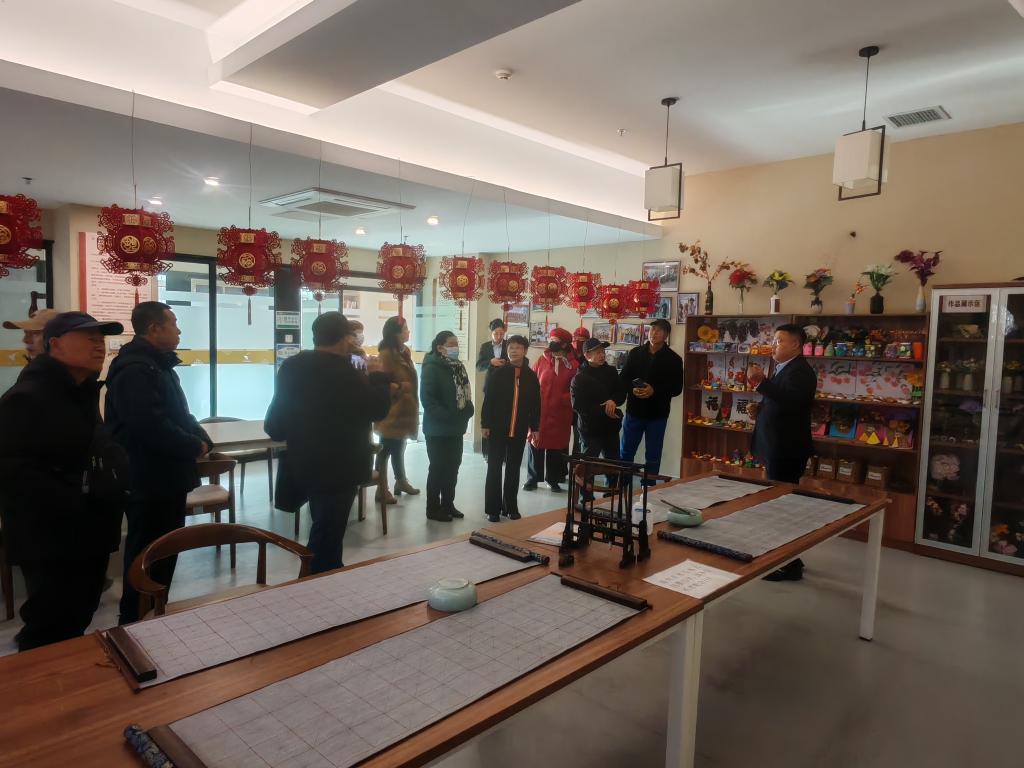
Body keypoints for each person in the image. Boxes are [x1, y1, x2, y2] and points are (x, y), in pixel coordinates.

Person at [0, 312, 125, 650]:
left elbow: (94, 451)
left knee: (76, 619)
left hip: (88, 535)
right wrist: (80, 501)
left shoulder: (80, 394)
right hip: (54, 542)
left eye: (101, 339)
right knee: (49, 629)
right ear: (55, 345)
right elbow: (16, 475)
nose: (99, 345)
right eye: (88, 338)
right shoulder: (26, 398)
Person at [105, 301, 212, 624]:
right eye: (173, 324)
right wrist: (192, 445)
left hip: (167, 477)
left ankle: (156, 613)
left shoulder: (158, 365)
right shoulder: (136, 369)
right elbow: (149, 425)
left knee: (165, 550)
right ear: (154, 328)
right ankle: (135, 620)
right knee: (148, 553)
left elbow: (180, 413)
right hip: (148, 478)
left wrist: (202, 438)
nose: (179, 331)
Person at [265, 312, 392, 573]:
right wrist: (378, 376)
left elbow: (275, 423)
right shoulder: (347, 372)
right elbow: (377, 410)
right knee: (328, 530)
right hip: (341, 467)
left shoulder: (292, 366)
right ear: (345, 338)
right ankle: (317, 577)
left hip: (304, 462)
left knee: (323, 523)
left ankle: (329, 571)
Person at [747, 323, 818, 582]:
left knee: (782, 507)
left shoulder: (801, 371)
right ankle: (789, 559)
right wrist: (761, 409)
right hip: (776, 445)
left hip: (786, 448)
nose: (773, 345)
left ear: (796, 345)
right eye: (774, 340)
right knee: (779, 504)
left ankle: (788, 564)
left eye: (779, 341)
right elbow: (781, 402)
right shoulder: (785, 368)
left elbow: (793, 401)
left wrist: (761, 383)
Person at [481, 335, 540, 523]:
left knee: (513, 469)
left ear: (525, 351)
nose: (513, 351)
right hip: (497, 429)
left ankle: (510, 507)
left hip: (519, 429)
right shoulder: (498, 373)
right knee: (494, 468)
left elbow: (536, 404)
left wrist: (535, 427)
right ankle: (492, 509)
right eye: (510, 348)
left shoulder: (531, 376)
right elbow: (488, 400)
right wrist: (485, 424)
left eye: (518, 347)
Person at [619, 318, 684, 483]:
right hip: (634, 412)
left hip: (657, 415)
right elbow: (623, 379)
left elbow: (676, 388)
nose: (654, 333)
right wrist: (632, 389)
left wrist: (654, 391)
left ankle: (649, 489)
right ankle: (622, 486)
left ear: (666, 335)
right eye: (652, 329)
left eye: (659, 330)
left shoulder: (674, 359)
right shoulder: (635, 353)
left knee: (653, 456)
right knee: (626, 452)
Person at [421, 330, 475, 522]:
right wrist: (450, 416)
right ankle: (432, 508)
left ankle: (448, 504)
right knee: (438, 468)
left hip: (455, 428)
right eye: (451, 344)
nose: (455, 347)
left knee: (453, 467)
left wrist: (468, 410)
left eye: (456, 344)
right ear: (440, 347)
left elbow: (465, 393)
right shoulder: (431, 367)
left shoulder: (457, 366)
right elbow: (428, 401)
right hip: (437, 430)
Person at [571, 337, 627, 501]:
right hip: (590, 428)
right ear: (587, 355)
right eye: (598, 352)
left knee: (613, 462)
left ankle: (611, 494)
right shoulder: (579, 377)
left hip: (610, 426)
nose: (602, 355)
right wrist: (602, 408)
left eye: (603, 351)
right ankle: (586, 497)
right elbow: (578, 405)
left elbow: (621, 393)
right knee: (588, 464)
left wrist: (613, 401)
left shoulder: (611, 372)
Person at [373, 316, 420, 504]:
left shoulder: (404, 352)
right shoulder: (386, 355)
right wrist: (400, 388)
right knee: (385, 450)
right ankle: (381, 488)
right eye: (405, 329)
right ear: (396, 334)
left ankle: (400, 481)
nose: (408, 332)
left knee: (399, 447)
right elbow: (381, 384)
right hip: (391, 412)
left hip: (405, 411)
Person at [525, 327, 577, 492]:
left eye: (555, 341)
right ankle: (532, 479)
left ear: (565, 344)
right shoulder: (542, 360)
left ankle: (553, 480)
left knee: (556, 447)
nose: (551, 343)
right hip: (540, 411)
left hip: (560, 413)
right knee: (535, 443)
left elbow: (576, 389)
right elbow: (532, 381)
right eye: (551, 340)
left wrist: (563, 399)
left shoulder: (573, 365)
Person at [476, 318, 508, 459]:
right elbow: (479, 366)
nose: (499, 336)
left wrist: (506, 363)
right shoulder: (485, 347)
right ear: (491, 333)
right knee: (488, 416)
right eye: (496, 333)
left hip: (506, 385)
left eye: (501, 333)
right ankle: (487, 452)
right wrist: (491, 361)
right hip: (490, 385)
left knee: (504, 417)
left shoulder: (509, 345)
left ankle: (503, 452)